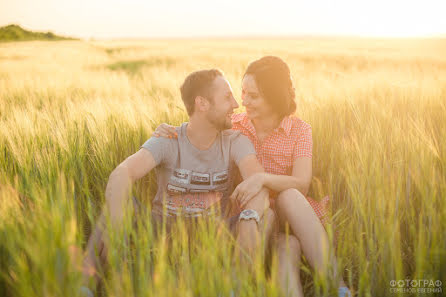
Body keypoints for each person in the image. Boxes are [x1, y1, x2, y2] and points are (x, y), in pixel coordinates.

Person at [154, 56, 352, 297]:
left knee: (289, 197)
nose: (243, 101)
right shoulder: (233, 124)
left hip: (293, 216)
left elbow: (302, 183)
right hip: (251, 214)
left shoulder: (300, 131)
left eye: (253, 96)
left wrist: (262, 179)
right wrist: (170, 131)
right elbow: (196, 133)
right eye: (243, 92)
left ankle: (339, 288)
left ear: (275, 97)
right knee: (286, 248)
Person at [81, 69, 275, 295]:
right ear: (202, 104)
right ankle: (83, 287)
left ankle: (233, 287)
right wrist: (116, 226)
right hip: (162, 231)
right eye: (227, 97)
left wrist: (249, 218)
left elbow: (258, 184)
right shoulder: (168, 139)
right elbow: (121, 174)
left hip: (214, 234)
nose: (235, 104)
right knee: (113, 208)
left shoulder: (235, 141)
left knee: (265, 216)